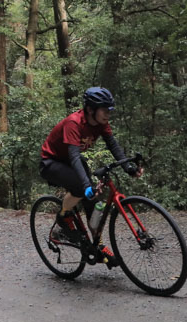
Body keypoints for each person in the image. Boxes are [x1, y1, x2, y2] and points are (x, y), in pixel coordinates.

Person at [39, 86, 142, 260]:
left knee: (92, 199)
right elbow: (73, 156)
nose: (108, 114)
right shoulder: (74, 123)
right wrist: (86, 185)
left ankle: (97, 245)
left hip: (72, 161)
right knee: (82, 188)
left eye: (110, 110)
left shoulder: (101, 124)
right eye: (104, 110)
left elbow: (113, 145)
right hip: (51, 162)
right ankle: (63, 217)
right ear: (90, 109)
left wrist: (128, 168)